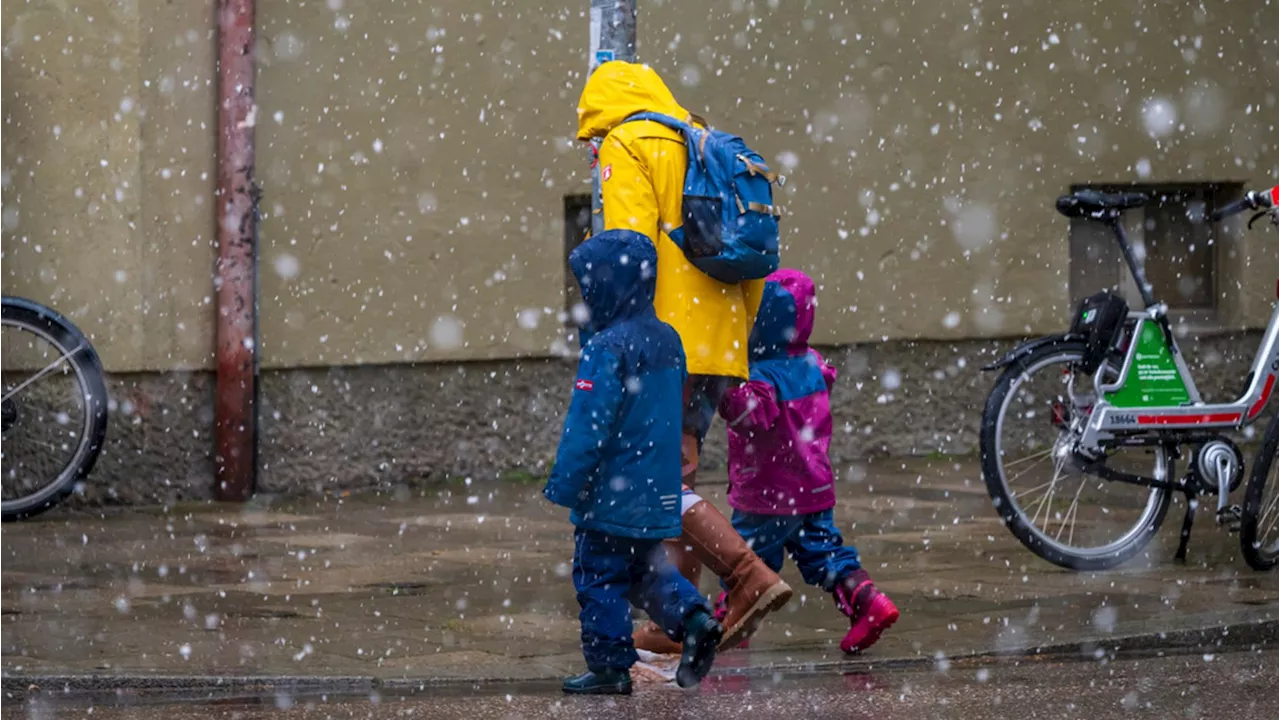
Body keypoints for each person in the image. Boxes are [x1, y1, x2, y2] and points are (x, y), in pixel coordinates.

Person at [576, 60, 793, 654]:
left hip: (661, 338)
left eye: (591, 140)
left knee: (660, 480)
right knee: (678, 472)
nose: (593, 152)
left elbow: (628, 253)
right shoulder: (700, 140)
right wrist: (730, 338)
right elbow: (753, 256)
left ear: (604, 120)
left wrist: (621, 344)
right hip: (717, 335)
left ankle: (747, 575)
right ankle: (680, 623)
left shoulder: (629, 142)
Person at [543, 229, 722, 694]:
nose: (586, 298)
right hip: (654, 487)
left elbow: (589, 426)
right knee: (645, 569)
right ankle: (695, 618)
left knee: (597, 572)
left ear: (608, 286)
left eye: (589, 287)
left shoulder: (607, 348)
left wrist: (567, 483)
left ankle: (609, 667)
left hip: (611, 490)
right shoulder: (668, 339)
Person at [714, 269, 900, 654]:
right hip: (813, 488)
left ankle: (727, 625)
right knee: (824, 552)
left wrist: (724, 390)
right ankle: (867, 602)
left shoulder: (762, 376)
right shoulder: (813, 363)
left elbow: (751, 417)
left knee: (745, 562)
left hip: (767, 493)